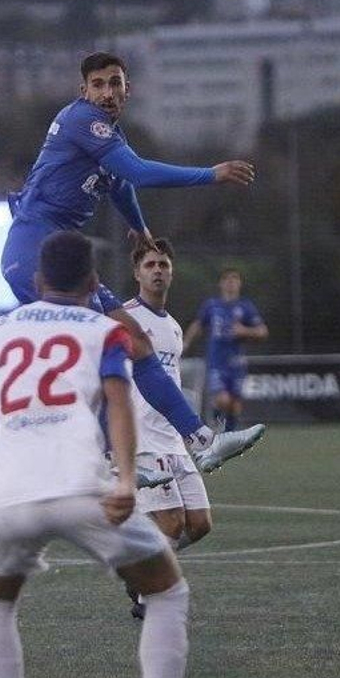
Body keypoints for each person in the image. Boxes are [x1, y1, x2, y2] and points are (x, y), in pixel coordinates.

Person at [0, 231, 190, 678]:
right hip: (81, 489)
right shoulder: (105, 330)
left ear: (37, 281)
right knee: (167, 591)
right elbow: (119, 403)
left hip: (7, 496)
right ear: (92, 282)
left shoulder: (0, 330)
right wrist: (126, 480)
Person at [0, 50, 264, 470]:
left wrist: (139, 227)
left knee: (134, 341)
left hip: (59, 255)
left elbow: (121, 184)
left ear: (128, 89)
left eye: (114, 83)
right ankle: (104, 458)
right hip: (33, 251)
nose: (107, 92)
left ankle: (202, 441)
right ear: (84, 90)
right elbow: (136, 172)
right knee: (99, 347)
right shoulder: (82, 120)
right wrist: (210, 174)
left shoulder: (108, 137)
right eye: (98, 85)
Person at [120, 239, 214, 620]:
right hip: (143, 437)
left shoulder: (173, 328)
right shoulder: (124, 318)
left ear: (172, 272)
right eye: (150, 265)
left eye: (163, 264)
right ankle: (147, 598)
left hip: (173, 439)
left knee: (200, 524)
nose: (157, 270)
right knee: (172, 521)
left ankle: (139, 565)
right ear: (137, 273)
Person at [183, 269, 268, 432]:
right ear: (220, 284)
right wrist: (185, 343)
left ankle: (229, 435)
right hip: (216, 361)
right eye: (227, 279)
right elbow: (198, 325)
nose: (231, 282)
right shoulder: (212, 305)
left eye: (234, 279)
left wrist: (245, 331)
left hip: (237, 362)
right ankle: (215, 420)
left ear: (239, 284)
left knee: (235, 405)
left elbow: (262, 331)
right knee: (223, 400)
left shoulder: (245, 306)